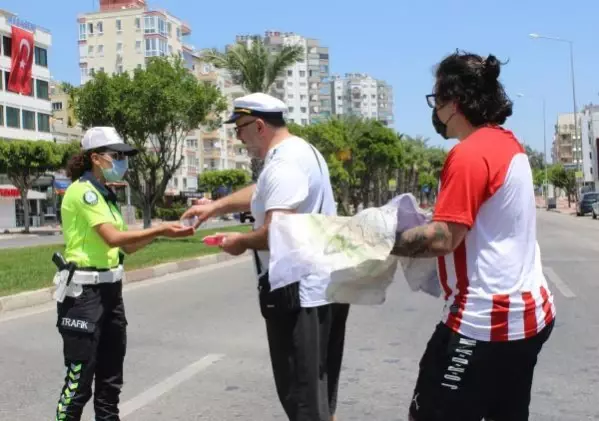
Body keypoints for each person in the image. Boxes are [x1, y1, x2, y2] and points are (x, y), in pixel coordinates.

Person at [390, 51, 556, 421]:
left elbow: (442, 238)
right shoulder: (509, 144)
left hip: (483, 323)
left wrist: (380, 239)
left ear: (456, 102)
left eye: (438, 100)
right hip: (530, 317)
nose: (435, 112)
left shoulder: (469, 154)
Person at [181, 93, 350, 421]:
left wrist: (241, 241)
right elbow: (261, 193)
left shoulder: (284, 164)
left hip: (298, 293)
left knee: (303, 401)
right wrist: (215, 206)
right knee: (317, 395)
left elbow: (277, 230)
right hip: (320, 288)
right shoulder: (301, 152)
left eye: (240, 129)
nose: (238, 138)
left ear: (258, 126)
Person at [54, 127, 194, 421]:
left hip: (110, 294)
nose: (122, 162)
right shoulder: (83, 192)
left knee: (110, 384)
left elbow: (126, 249)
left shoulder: (106, 195)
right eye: (115, 155)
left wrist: (163, 235)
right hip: (84, 297)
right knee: (78, 387)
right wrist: (161, 228)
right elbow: (113, 238)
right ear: (95, 158)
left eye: (123, 156)